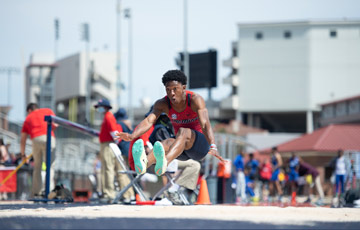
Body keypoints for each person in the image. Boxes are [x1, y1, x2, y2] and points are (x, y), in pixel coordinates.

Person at [117, 70, 223, 178]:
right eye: (168, 90)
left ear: (183, 88)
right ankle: (144, 165)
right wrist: (132, 135)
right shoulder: (162, 104)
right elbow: (149, 121)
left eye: (175, 89)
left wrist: (213, 145)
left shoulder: (195, 100)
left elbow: (205, 123)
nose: (171, 93)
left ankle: (165, 162)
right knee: (164, 143)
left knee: (183, 131)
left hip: (200, 146)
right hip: (182, 149)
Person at [94, 99, 134, 203]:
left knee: (108, 169)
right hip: (111, 144)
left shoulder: (108, 116)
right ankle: (127, 194)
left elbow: (114, 132)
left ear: (105, 107)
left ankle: (109, 194)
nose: (98, 109)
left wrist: (116, 143)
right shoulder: (108, 116)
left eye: (100, 106)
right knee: (119, 171)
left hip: (108, 145)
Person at [20, 103, 57, 198]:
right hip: (49, 137)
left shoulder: (28, 118)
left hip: (35, 139)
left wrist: (23, 154)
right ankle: (49, 190)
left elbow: (23, 139)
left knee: (37, 166)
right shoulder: (47, 110)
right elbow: (56, 124)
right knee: (50, 165)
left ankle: (37, 192)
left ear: (29, 110)